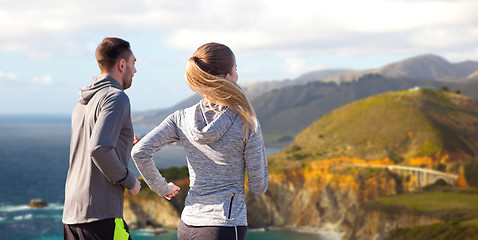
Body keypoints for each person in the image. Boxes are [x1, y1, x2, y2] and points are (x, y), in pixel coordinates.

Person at [131, 42, 269, 240]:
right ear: (227, 77)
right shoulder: (246, 120)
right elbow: (259, 186)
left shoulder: (181, 118)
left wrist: (163, 188)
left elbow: (139, 152)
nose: (238, 76)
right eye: (235, 69)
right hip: (224, 226)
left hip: (187, 226)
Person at [62, 37, 146, 240]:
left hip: (72, 216)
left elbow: (93, 142)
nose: (135, 70)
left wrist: (124, 143)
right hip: (102, 216)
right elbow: (99, 148)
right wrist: (130, 181)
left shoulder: (82, 103)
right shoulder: (116, 97)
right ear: (122, 64)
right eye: (133, 63)